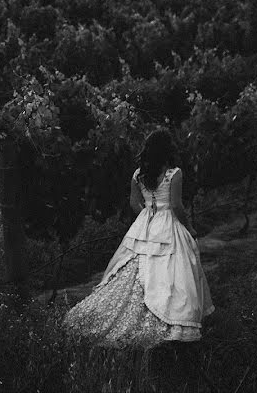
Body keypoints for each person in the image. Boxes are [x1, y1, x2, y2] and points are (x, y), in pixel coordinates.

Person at [62, 128, 214, 348]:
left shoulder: (138, 174)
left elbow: (134, 204)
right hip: (167, 220)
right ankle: (171, 315)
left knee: (135, 264)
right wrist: (189, 227)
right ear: (167, 149)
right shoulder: (174, 173)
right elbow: (176, 206)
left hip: (146, 220)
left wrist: (148, 215)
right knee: (172, 267)